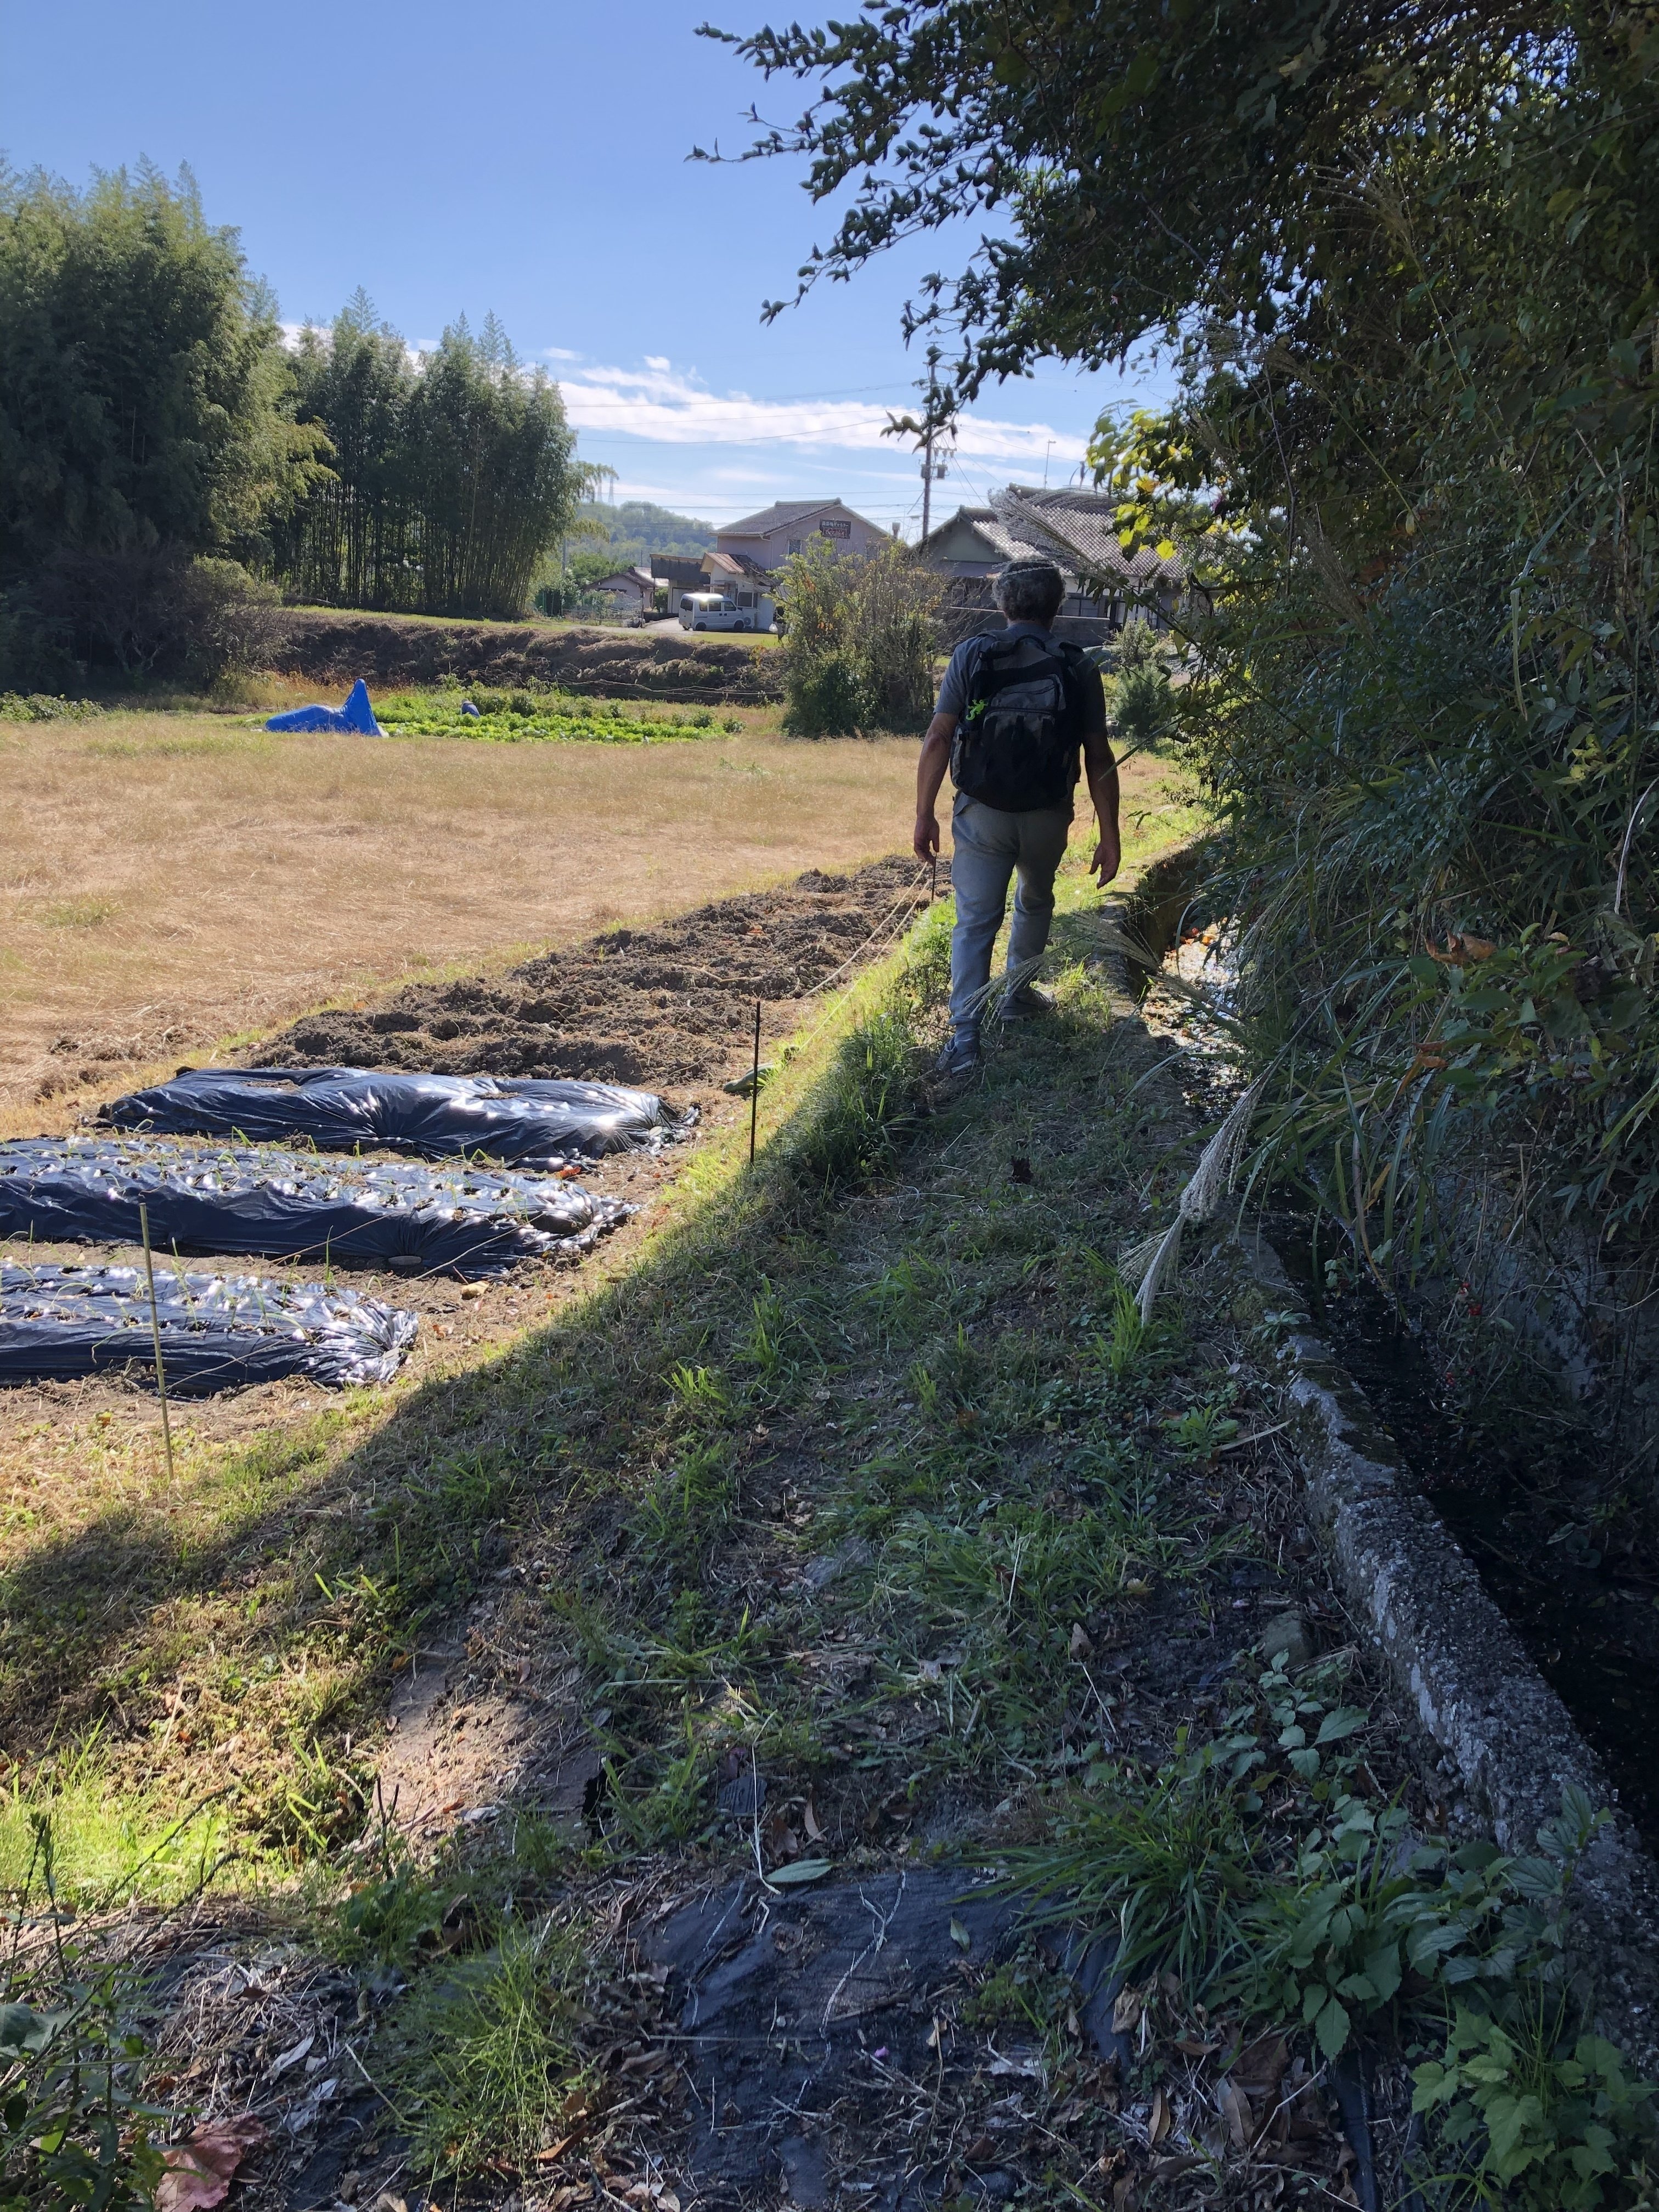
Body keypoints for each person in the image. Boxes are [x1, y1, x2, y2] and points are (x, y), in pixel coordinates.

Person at [913, 556, 1121, 1075]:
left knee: (975, 921)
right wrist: (1111, 834)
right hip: (1048, 813)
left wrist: (924, 814)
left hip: (982, 813)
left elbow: (939, 737)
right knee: (1035, 898)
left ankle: (965, 1039)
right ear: (1057, 606)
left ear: (1003, 604)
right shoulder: (1079, 665)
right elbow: (1099, 756)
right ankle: (1016, 997)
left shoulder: (972, 655)